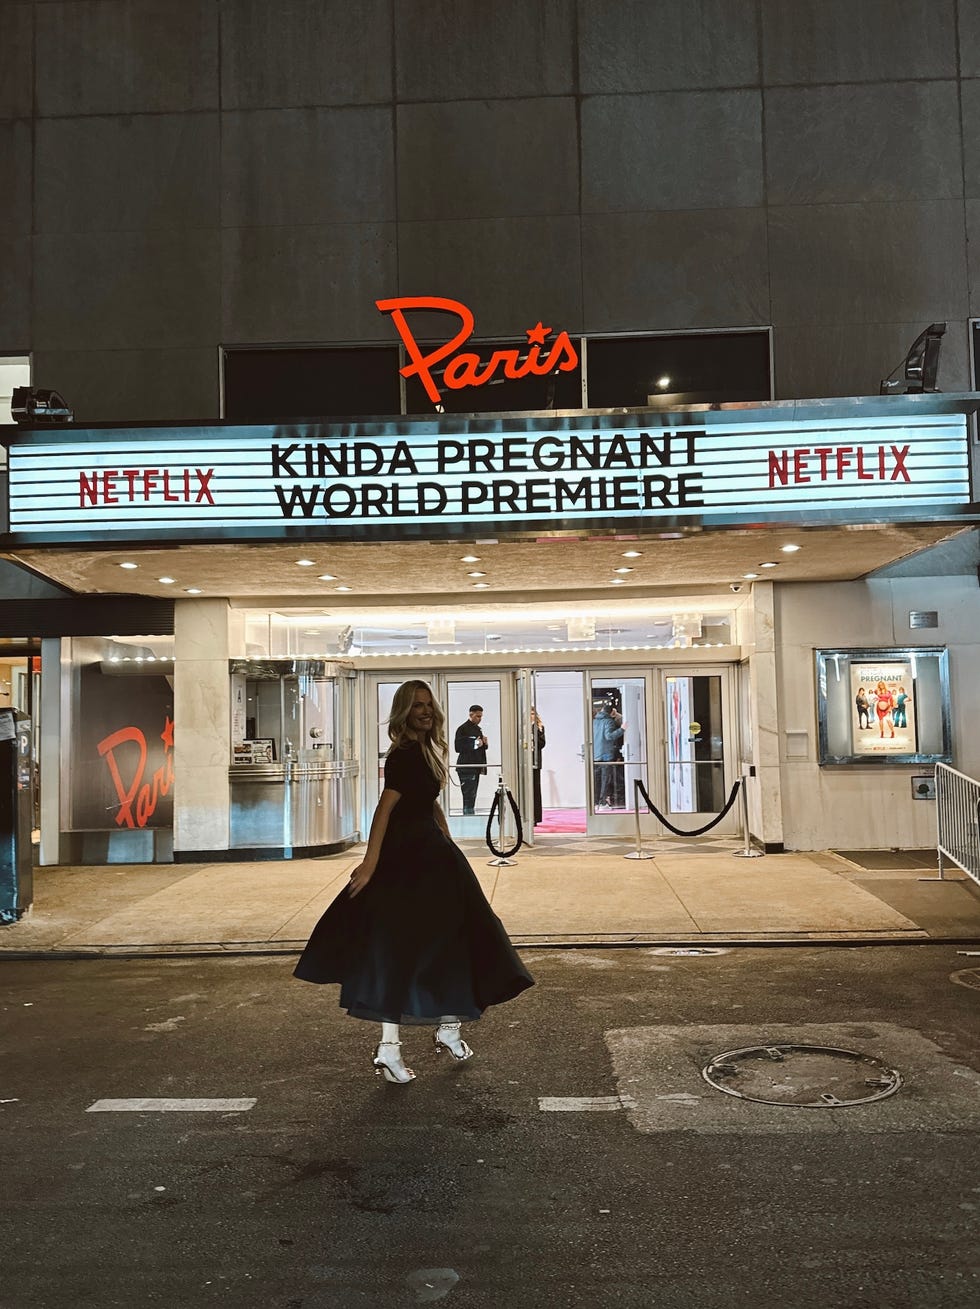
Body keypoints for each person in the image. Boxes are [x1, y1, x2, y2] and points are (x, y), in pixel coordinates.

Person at [294, 681, 533, 1085]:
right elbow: (385, 809)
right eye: (417, 706)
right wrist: (370, 864)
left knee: (450, 939)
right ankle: (393, 1045)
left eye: (428, 705)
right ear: (404, 711)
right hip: (408, 859)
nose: (424, 711)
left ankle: (447, 1026)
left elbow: (427, 801)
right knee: (405, 947)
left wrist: (447, 836)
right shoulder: (404, 754)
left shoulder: (425, 750)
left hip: (434, 854)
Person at [454, 703, 488, 815]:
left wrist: (484, 744)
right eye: (478, 716)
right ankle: (468, 817)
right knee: (468, 795)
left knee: (472, 795)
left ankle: (469, 816)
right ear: (471, 714)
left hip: (475, 766)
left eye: (481, 716)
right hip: (467, 767)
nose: (480, 719)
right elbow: (458, 747)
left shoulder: (477, 729)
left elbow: (479, 746)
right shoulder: (462, 729)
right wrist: (476, 743)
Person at [592, 699, 625, 809]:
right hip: (606, 755)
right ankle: (603, 802)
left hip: (596, 755)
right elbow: (609, 736)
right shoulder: (609, 721)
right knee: (605, 779)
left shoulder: (594, 721)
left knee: (597, 780)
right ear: (611, 712)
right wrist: (622, 730)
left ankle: (596, 802)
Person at [531, 706, 546, 826]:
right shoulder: (521, 727)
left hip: (535, 762)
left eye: (533, 713)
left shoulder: (539, 727)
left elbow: (542, 743)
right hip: (524, 763)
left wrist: (533, 737)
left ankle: (535, 817)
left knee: (536, 789)